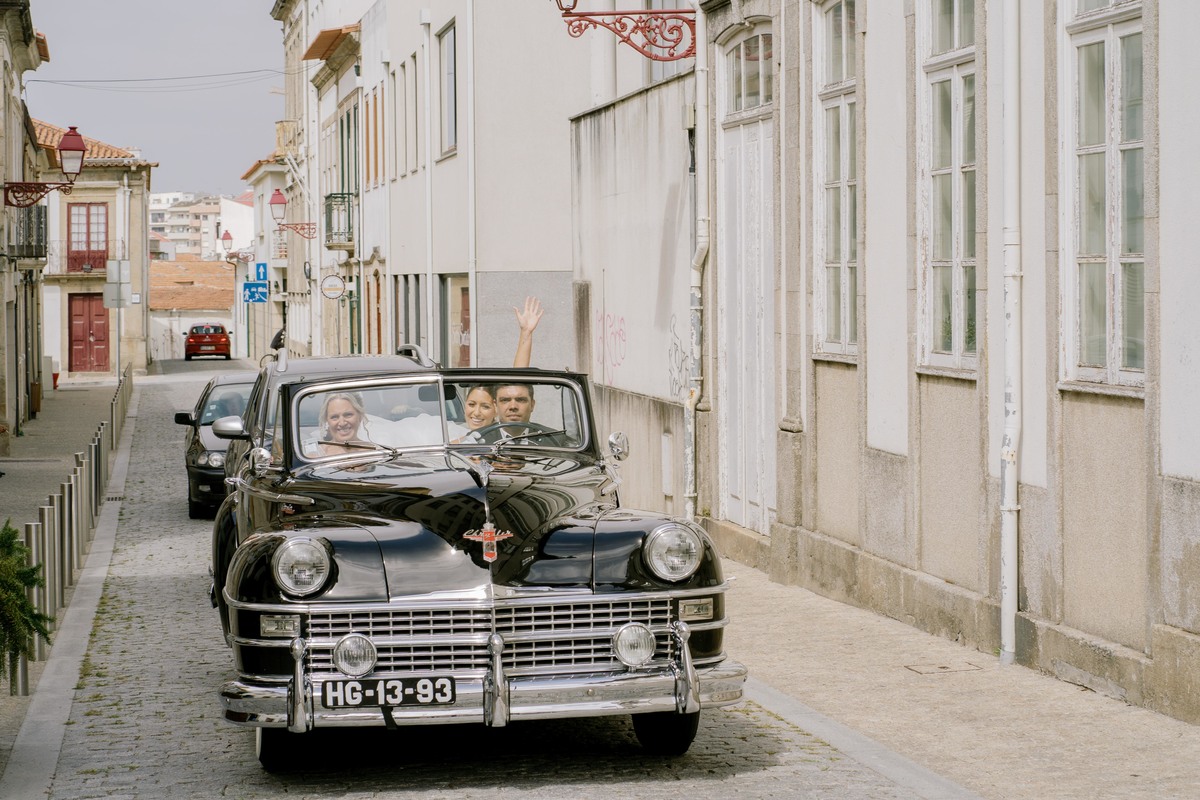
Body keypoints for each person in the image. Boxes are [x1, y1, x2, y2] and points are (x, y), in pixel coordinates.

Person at [310, 392, 372, 456]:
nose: (342, 423)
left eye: (348, 415)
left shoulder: (375, 453)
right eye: (334, 417)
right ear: (327, 420)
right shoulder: (314, 457)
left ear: (360, 415)